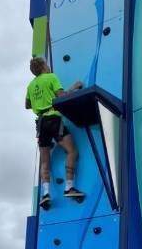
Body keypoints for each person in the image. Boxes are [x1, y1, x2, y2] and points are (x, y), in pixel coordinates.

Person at [25, 57, 85, 209]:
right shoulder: (51, 77)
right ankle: (69, 187)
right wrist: (74, 87)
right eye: (47, 64)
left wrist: (39, 99)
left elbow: (27, 105)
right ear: (44, 66)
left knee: (45, 160)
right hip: (53, 118)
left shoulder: (31, 85)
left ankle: (45, 194)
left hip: (40, 123)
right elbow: (61, 96)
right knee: (72, 151)